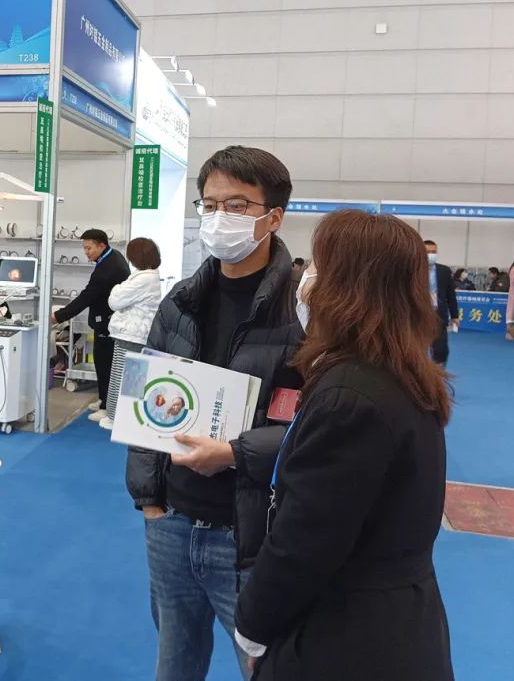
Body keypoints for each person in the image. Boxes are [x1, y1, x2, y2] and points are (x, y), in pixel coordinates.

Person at [234, 210, 453, 681]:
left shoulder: (350, 395)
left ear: (349, 286)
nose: (306, 280)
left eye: (317, 265)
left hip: (344, 634)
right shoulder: (400, 374)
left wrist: (252, 628)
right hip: (396, 621)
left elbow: (304, 542)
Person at [127, 146, 303, 681]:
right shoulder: (180, 301)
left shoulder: (303, 313)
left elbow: (319, 428)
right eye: (209, 204)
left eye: (237, 205)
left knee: (266, 667)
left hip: (251, 535)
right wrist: (150, 503)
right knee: (174, 664)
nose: (219, 216)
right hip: (173, 523)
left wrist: (234, 453)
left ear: (274, 217)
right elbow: (143, 402)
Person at [51, 229, 130, 422]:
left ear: (101, 245)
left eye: (89, 248)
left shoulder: (108, 268)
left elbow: (86, 297)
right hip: (105, 321)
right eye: (84, 248)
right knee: (101, 362)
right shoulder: (112, 257)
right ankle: (104, 399)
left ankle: (107, 407)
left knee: (106, 365)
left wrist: (58, 316)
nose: (86, 252)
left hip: (108, 323)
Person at [99, 237, 163, 431]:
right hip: (138, 334)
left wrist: (116, 288)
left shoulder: (142, 279)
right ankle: (128, 419)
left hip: (130, 335)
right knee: (133, 381)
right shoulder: (151, 277)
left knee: (120, 378)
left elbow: (114, 301)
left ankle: (115, 418)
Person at [423, 240, 458, 367]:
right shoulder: (412, 270)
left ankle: (438, 371)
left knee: (441, 350)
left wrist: (455, 315)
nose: (431, 255)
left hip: (439, 314)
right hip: (419, 314)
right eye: (427, 252)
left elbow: (451, 295)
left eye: (433, 252)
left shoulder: (444, 271)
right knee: (417, 348)